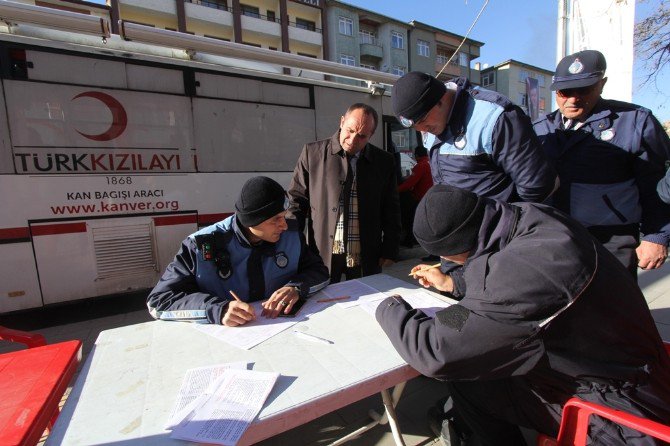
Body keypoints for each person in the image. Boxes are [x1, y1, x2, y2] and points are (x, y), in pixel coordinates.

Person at [376, 184, 670, 446]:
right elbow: (507, 291)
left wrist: (390, 306)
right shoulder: (534, 217)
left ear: (454, 250)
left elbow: (436, 351)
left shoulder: (511, 285)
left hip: (617, 414)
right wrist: (455, 283)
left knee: (467, 381)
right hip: (635, 364)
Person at [392, 71, 558, 298]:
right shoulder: (432, 125)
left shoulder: (495, 116)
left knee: (488, 323)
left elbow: (536, 189)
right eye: (415, 126)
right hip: (457, 254)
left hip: (495, 255)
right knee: (456, 320)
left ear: (440, 100)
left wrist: (502, 242)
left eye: (422, 121)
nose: (421, 130)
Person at [533, 49, 670, 277]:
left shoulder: (634, 121)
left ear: (601, 84)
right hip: (555, 237)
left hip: (612, 239)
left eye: (584, 90)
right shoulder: (541, 128)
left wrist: (657, 235)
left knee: (615, 307)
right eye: (565, 92)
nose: (573, 99)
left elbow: (658, 185)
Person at [147, 176, 329, 326]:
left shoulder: (291, 235)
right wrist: (219, 310)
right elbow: (159, 301)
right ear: (252, 221)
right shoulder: (200, 245)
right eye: (275, 219)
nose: (283, 225)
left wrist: (296, 287)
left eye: (283, 216)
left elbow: (320, 271)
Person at [288, 103, 401, 283]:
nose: (353, 139)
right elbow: (296, 201)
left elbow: (391, 208)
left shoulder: (384, 161)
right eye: (350, 130)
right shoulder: (313, 153)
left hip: (366, 249)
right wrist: (292, 244)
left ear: (371, 135)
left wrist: (390, 248)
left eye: (362, 136)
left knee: (365, 299)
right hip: (322, 249)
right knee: (322, 300)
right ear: (342, 121)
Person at [397, 144, 433, 247]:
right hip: (429, 197)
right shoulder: (430, 163)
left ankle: (409, 240)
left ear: (416, 155)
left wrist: (395, 190)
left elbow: (409, 184)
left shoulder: (420, 166)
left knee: (409, 219)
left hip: (420, 199)